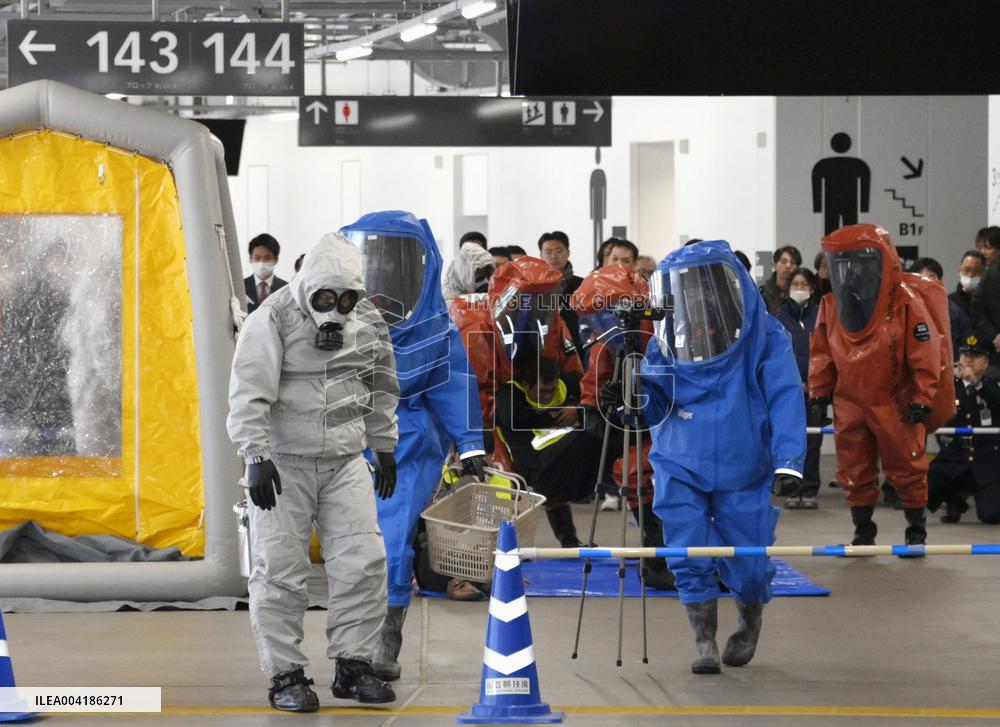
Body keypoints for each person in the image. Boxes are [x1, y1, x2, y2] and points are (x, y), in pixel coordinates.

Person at [227, 232, 400, 711]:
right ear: (308, 288)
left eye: (346, 298)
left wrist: (384, 445)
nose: (335, 308)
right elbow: (248, 391)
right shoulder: (273, 318)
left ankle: (353, 665)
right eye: (326, 297)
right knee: (280, 569)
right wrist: (255, 456)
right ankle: (285, 675)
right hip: (284, 464)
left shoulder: (366, 322)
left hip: (346, 460)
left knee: (364, 562)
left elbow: (382, 384)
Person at [638, 240, 805, 675]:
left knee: (749, 559)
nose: (702, 296)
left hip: (744, 462)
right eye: (692, 287)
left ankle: (749, 623)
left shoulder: (764, 335)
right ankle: (703, 641)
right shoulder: (667, 340)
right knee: (687, 551)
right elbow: (655, 401)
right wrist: (630, 400)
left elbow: (786, 396)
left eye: (711, 285)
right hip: (679, 458)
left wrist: (790, 461)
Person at [340, 211, 487, 682]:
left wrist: (470, 446)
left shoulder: (434, 328)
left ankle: (387, 639)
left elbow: (453, 385)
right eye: (374, 254)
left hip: (406, 449)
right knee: (349, 551)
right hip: (344, 445)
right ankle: (350, 644)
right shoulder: (337, 319)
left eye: (393, 257)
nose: (382, 267)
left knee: (392, 545)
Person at [809, 224, 954, 548]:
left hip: (895, 399)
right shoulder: (832, 305)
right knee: (854, 467)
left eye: (862, 261)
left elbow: (925, 352)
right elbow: (822, 351)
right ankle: (863, 531)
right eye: (846, 263)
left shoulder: (905, 300)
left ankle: (916, 531)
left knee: (907, 465)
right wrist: (819, 392)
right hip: (850, 400)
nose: (854, 270)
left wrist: (923, 395)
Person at [457, 257, 585, 543]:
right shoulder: (476, 326)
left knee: (545, 468)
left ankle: (567, 539)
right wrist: (480, 437)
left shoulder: (553, 325)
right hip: (495, 411)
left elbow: (573, 371)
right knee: (501, 478)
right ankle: (498, 549)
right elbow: (477, 393)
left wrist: (574, 403)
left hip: (532, 404)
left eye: (544, 298)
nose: (535, 306)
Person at [569, 263, 675, 589]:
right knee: (634, 474)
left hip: (672, 417)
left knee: (673, 482)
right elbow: (595, 379)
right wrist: (595, 407)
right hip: (634, 422)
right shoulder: (608, 341)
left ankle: (685, 555)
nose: (601, 324)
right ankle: (655, 556)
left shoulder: (664, 328)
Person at [493, 356, 600, 547]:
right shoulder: (509, 396)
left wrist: (577, 409)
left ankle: (569, 542)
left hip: (554, 453)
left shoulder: (568, 383)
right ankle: (511, 547)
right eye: (542, 392)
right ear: (526, 385)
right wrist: (558, 417)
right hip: (521, 461)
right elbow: (515, 419)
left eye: (552, 390)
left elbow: (595, 398)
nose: (548, 397)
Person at [927, 333, 1000, 524]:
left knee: (991, 515)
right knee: (924, 486)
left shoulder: (993, 385)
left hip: (987, 460)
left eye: (975, 356)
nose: (968, 360)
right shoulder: (949, 386)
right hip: (956, 457)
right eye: (964, 355)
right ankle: (955, 500)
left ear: (986, 361)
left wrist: (977, 385)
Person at [775, 268, 822, 508]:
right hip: (787, 392)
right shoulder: (779, 316)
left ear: (812, 288)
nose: (800, 288)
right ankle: (791, 487)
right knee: (789, 439)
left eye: (804, 284)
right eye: (796, 283)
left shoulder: (821, 316)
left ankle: (810, 488)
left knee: (813, 442)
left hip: (814, 391)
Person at [912, 257, 971, 359]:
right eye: (921, 278)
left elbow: (967, 348)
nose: (927, 282)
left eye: (931, 277)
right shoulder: (905, 312)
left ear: (940, 281)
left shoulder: (956, 314)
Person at [538, 231, 585, 359]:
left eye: (559, 251)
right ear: (541, 255)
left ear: (568, 253)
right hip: (542, 348)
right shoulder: (534, 286)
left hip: (576, 348)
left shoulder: (582, 285)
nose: (554, 256)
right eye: (548, 252)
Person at [971, 226, 1000, 368]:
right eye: (980, 248)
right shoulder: (988, 276)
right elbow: (977, 310)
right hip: (993, 348)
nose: (983, 253)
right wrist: (994, 335)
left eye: (987, 248)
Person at [244, 233, 288, 314]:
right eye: (257, 258)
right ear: (250, 259)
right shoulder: (241, 287)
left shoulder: (286, 289)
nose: (262, 263)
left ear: (276, 259)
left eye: (267, 258)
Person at [759, 245, 802, 314]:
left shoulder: (800, 293)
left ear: (797, 267)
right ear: (774, 265)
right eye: (783, 261)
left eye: (793, 262)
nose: (788, 266)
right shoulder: (763, 293)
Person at [950, 250, 986, 317]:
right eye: (966, 270)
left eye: (976, 271)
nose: (970, 275)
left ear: (984, 273)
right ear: (959, 271)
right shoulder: (949, 302)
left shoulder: (992, 300)